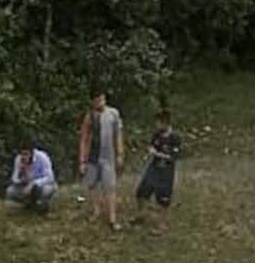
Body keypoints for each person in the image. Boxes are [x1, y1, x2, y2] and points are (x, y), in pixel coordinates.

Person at [77, 90, 125, 231]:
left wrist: (120, 153)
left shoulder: (113, 114)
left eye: (102, 99)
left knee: (110, 186)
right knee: (92, 184)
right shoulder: (89, 116)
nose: (100, 102)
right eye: (97, 100)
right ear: (93, 102)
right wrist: (82, 160)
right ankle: (96, 210)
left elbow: (118, 134)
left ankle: (112, 218)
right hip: (92, 156)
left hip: (108, 156)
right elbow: (84, 139)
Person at [133, 106, 182, 235]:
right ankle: (141, 215)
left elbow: (173, 157)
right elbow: (152, 146)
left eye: (159, 123)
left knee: (163, 199)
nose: (156, 125)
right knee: (141, 191)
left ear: (166, 123)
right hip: (153, 168)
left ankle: (162, 225)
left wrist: (157, 154)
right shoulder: (157, 135)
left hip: (165, 171)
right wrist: (151, 151)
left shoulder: (175, 138)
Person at [6, 139, 58, 213]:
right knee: (10, 191)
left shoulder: (42, 157)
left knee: (45, 190)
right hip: (25, 185)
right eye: (22, 154)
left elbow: (50, 177)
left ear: (32, 153)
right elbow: (14, 178)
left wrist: (33, 183)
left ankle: (42, 203)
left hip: (42, 185)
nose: (24, 157)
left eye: (26, 154)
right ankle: (30, 204)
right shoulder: (18, 159)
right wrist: (21, 178)